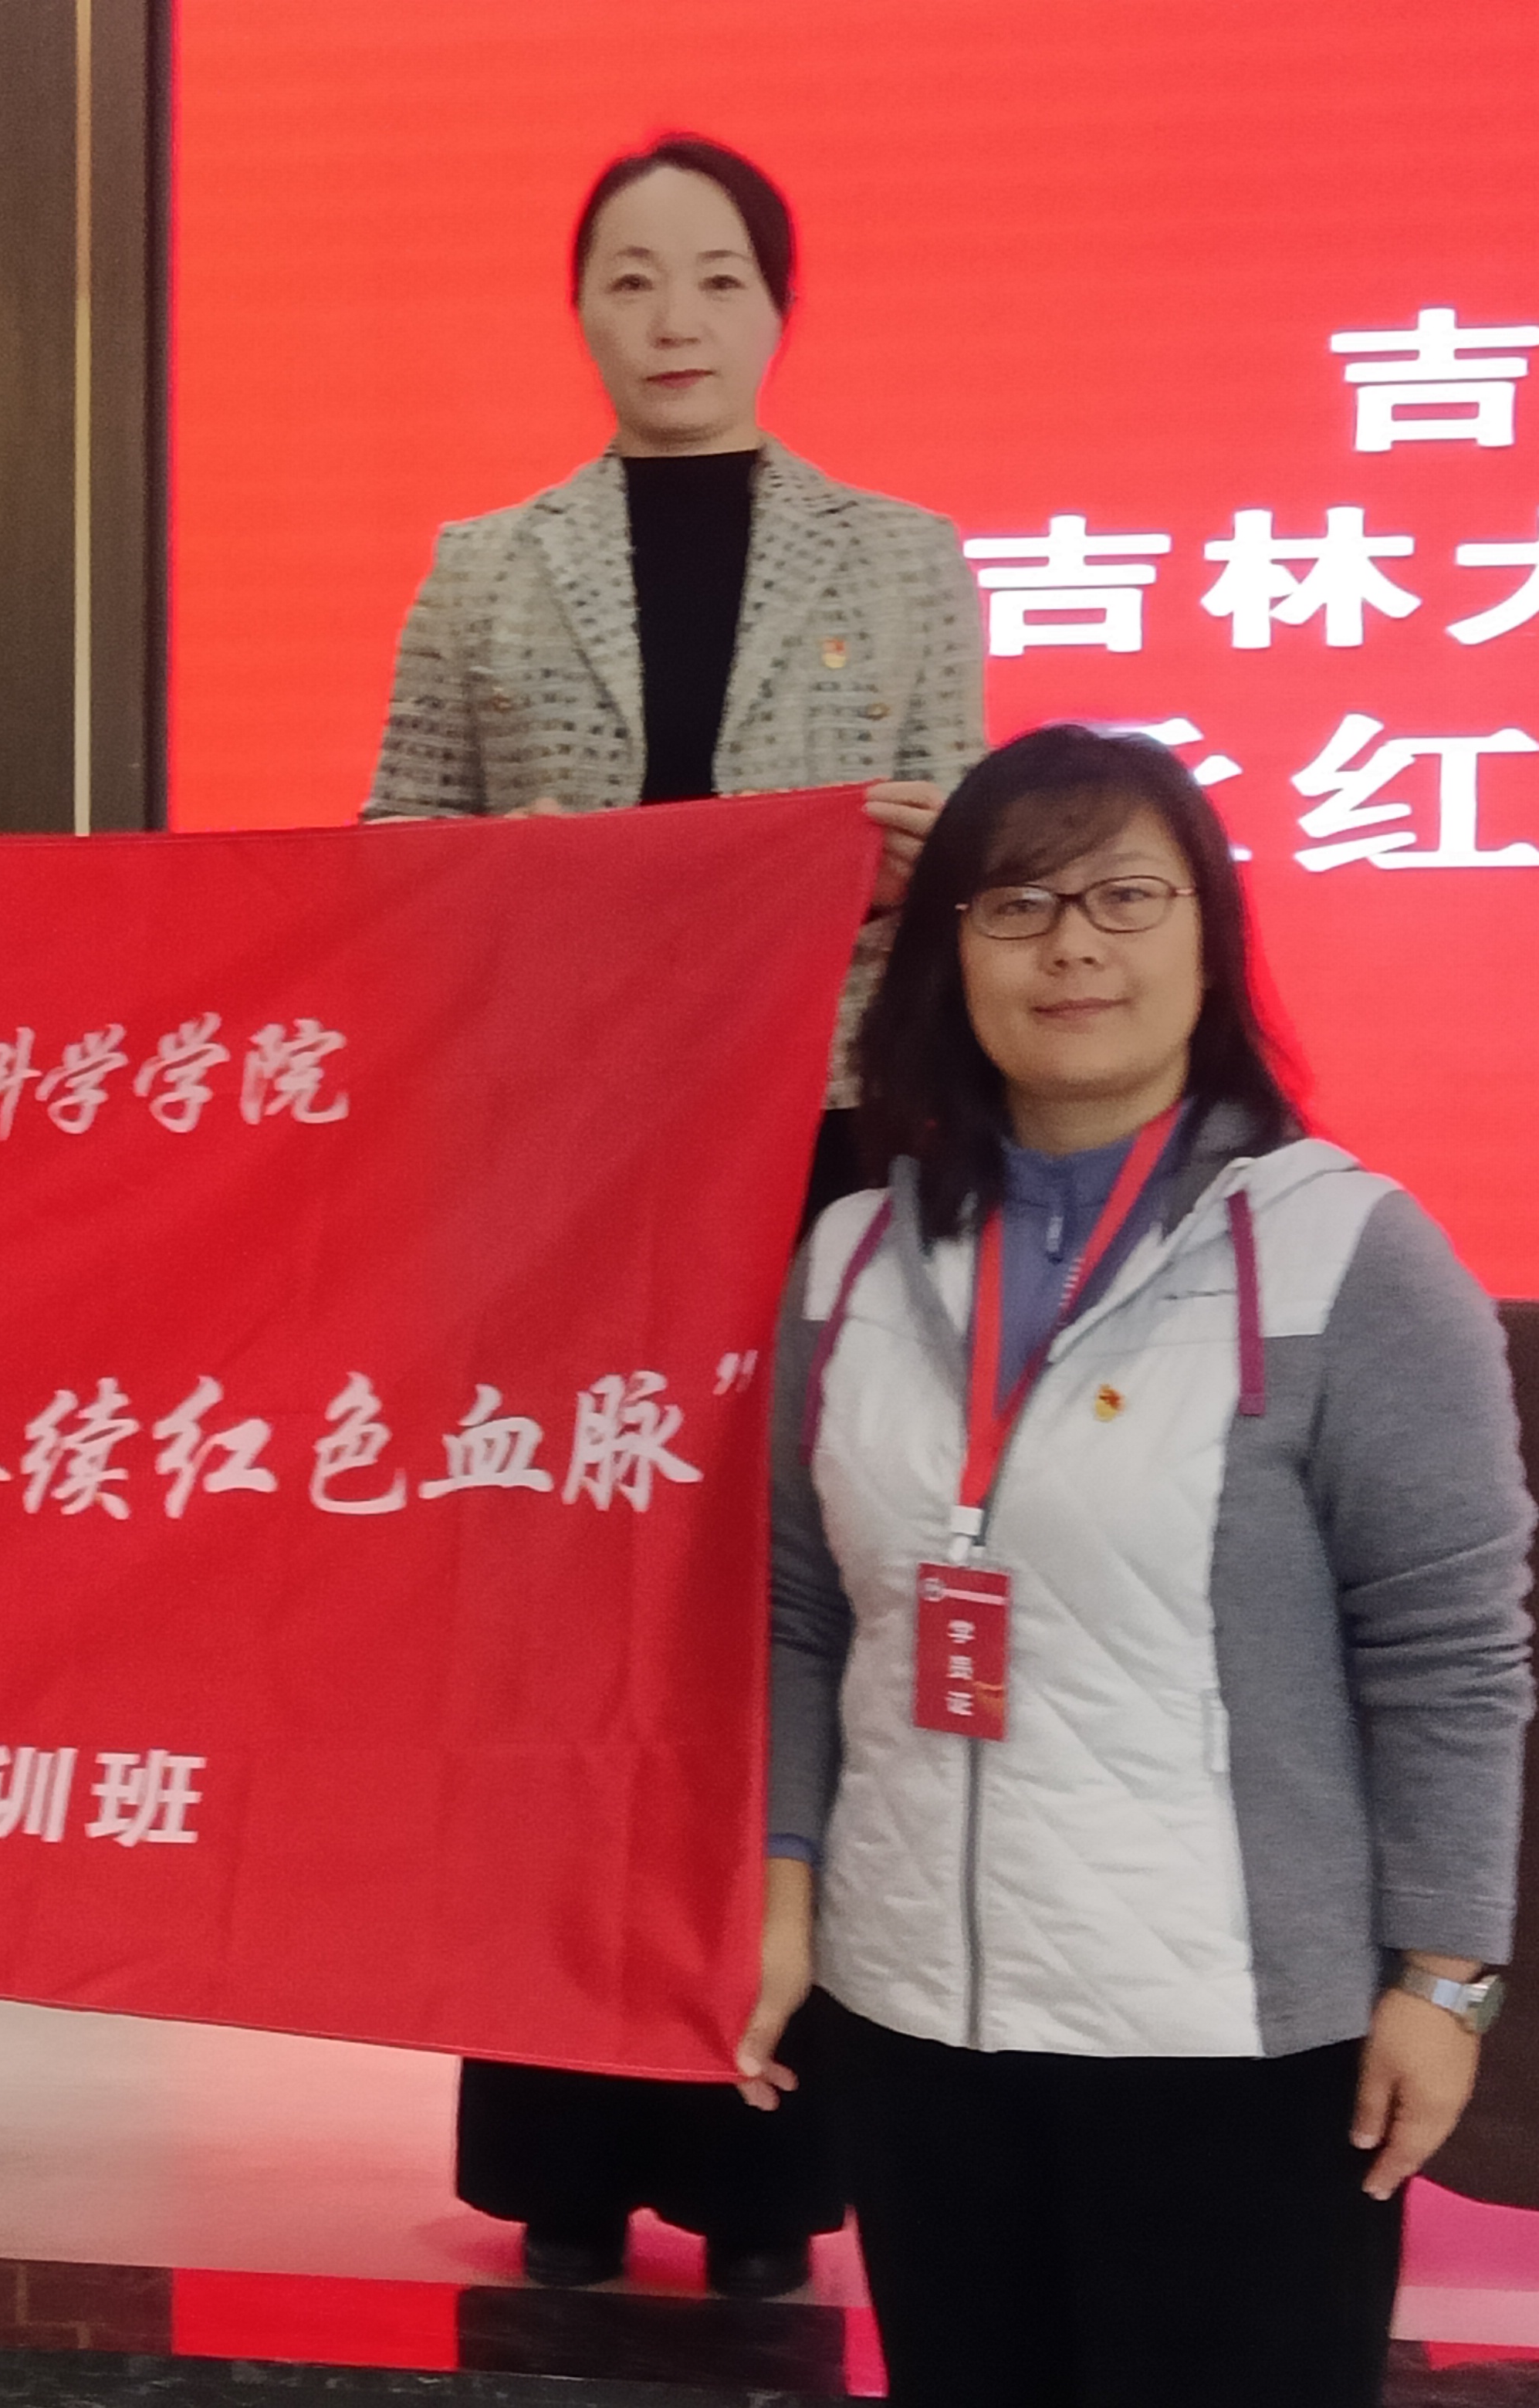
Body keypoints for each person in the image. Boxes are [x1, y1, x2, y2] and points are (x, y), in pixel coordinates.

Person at [364, 134, 986, 2295]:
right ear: (580, 310)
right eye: (630, 277)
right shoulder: (484, 567)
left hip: (822, 1152)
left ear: (776, 308)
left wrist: (917, 863)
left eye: (716, 276)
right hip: (569, 1168)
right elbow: (393, 869)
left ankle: (763, 2168)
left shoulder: (902, 559)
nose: (673, 316)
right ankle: (558, 2145)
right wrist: (528, 895)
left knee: (790, 1623)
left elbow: (975, 875)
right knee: (575, 1633)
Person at [740, 725, 1534, 2406]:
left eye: (1123, 897)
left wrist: (1445, 1981)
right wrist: (784, 1890)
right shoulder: (850, 1256)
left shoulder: (1350, 1255)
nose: (1072, 947)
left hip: (1236, 2039)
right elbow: (801, 1613)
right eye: (1016, 904)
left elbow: (1450, 1654)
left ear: (1208, 941)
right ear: (948, 952)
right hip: (918, 2016)